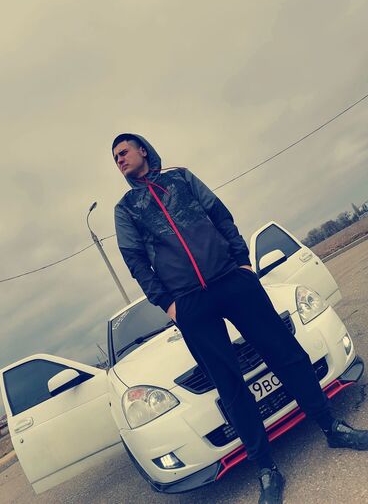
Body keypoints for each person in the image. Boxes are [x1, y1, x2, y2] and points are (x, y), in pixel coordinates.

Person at [112, 133, 368, 504]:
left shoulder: (180, 178)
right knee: (230, 386)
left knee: (286, 353)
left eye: (123, 152)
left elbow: (220, 215)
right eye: (115, 158)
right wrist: (168, 304)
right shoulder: (126, 209)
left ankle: (332, 427)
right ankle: (266, 469)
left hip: (232, 279)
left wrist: (243, 263)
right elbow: (135, 260)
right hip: (189, 302)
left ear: (142, 150)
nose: (119, 160)